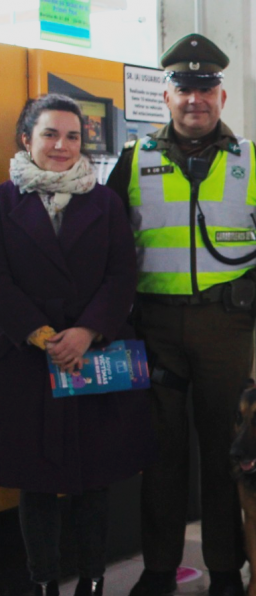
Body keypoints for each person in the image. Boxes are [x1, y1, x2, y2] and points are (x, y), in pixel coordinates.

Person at [105, 34, 256, 596]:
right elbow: (113, 247)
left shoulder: (251, 162)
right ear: (166, 95)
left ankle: (223, 570)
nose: (196, 99)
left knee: (227, 453)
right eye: (184, 88)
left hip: (223, 327)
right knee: (161, 454)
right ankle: (159, 569)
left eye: (206, 88)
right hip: (156, 328)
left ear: (222, 96)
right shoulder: (134, 161)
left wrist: (254, 297)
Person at [0, 94, 157, 596]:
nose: (62, 145)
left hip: (93, 356)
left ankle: (92, 579)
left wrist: (87, 331)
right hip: (27, 357)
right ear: (27, 139)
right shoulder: (4, 201)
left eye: (72, 136)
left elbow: (121, 275)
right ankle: (45, 581)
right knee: (37, 481)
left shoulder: (105, 202)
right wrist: (41, 334)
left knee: (94, 477)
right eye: (49, 134)